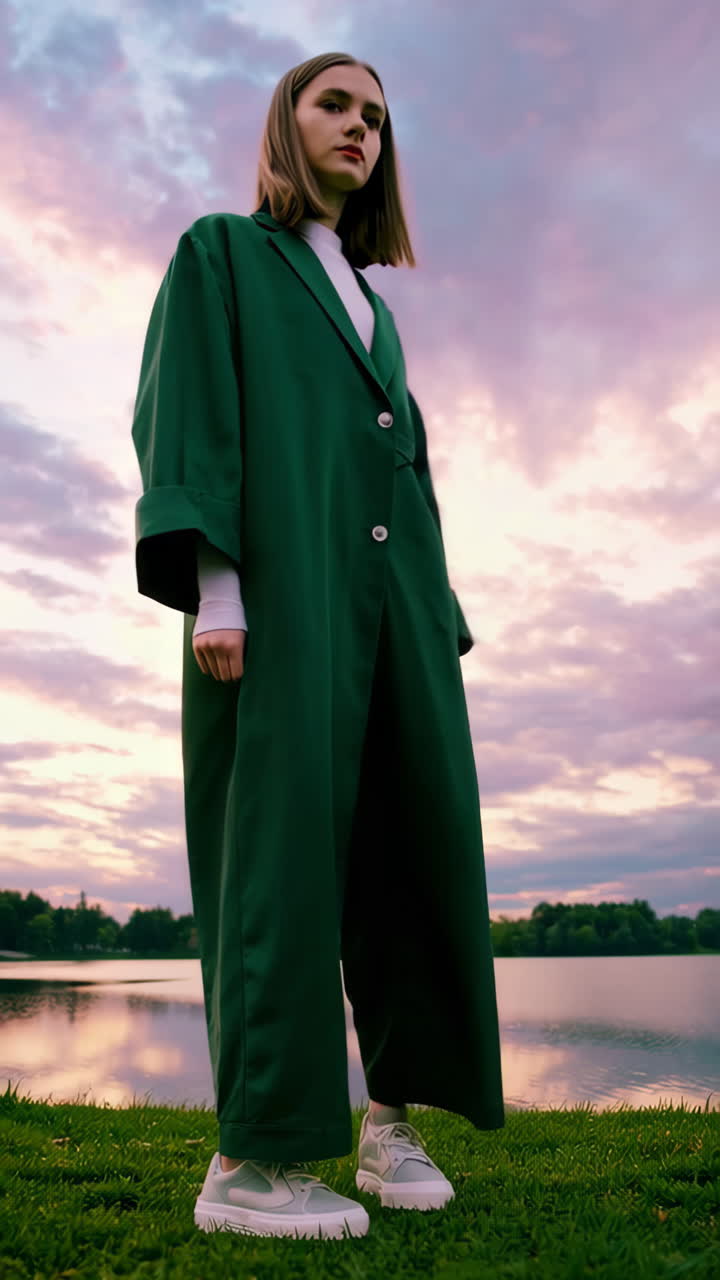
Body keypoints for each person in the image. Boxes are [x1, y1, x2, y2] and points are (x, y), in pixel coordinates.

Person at [131, 51, 504, 1241]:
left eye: (377, 117)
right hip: (281, 602)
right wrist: (218, 589)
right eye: (334, 104)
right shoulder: (222, 254)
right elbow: (190, 413)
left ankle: (392, 1120)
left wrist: (434, 619)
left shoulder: (376, 309)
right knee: (279, 860)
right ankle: (254, 1159)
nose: (359, 128)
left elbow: (407, 467)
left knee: (415, 845)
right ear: (285, 121)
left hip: (397, 611)